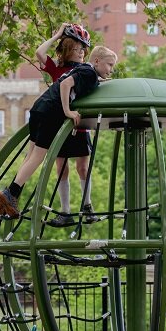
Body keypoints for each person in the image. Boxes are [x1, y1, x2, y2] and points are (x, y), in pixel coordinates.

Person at [0, 40, 118, 220]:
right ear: (97, 61)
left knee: (30, 156)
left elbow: (72, 82)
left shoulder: (84, 72)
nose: (111, 69)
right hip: (52, 112)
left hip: (38, 107)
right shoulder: (88, 72)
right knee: (38, 156)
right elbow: (67, 84)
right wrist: (67, 110)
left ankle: (9, 197)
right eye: (109, 65)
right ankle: (11, 193)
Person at [35, 23, 97, 226]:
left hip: (79, 123)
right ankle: (65, 211)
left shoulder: (86, 70)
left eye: (83, 49)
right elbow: (39, 52)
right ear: (68, 48)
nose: (81, 53)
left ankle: (87, 205)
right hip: (61, 125)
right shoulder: (58, 70)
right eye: (77, 48)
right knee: (61, 166)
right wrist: (57, 35)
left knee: (83, 167)